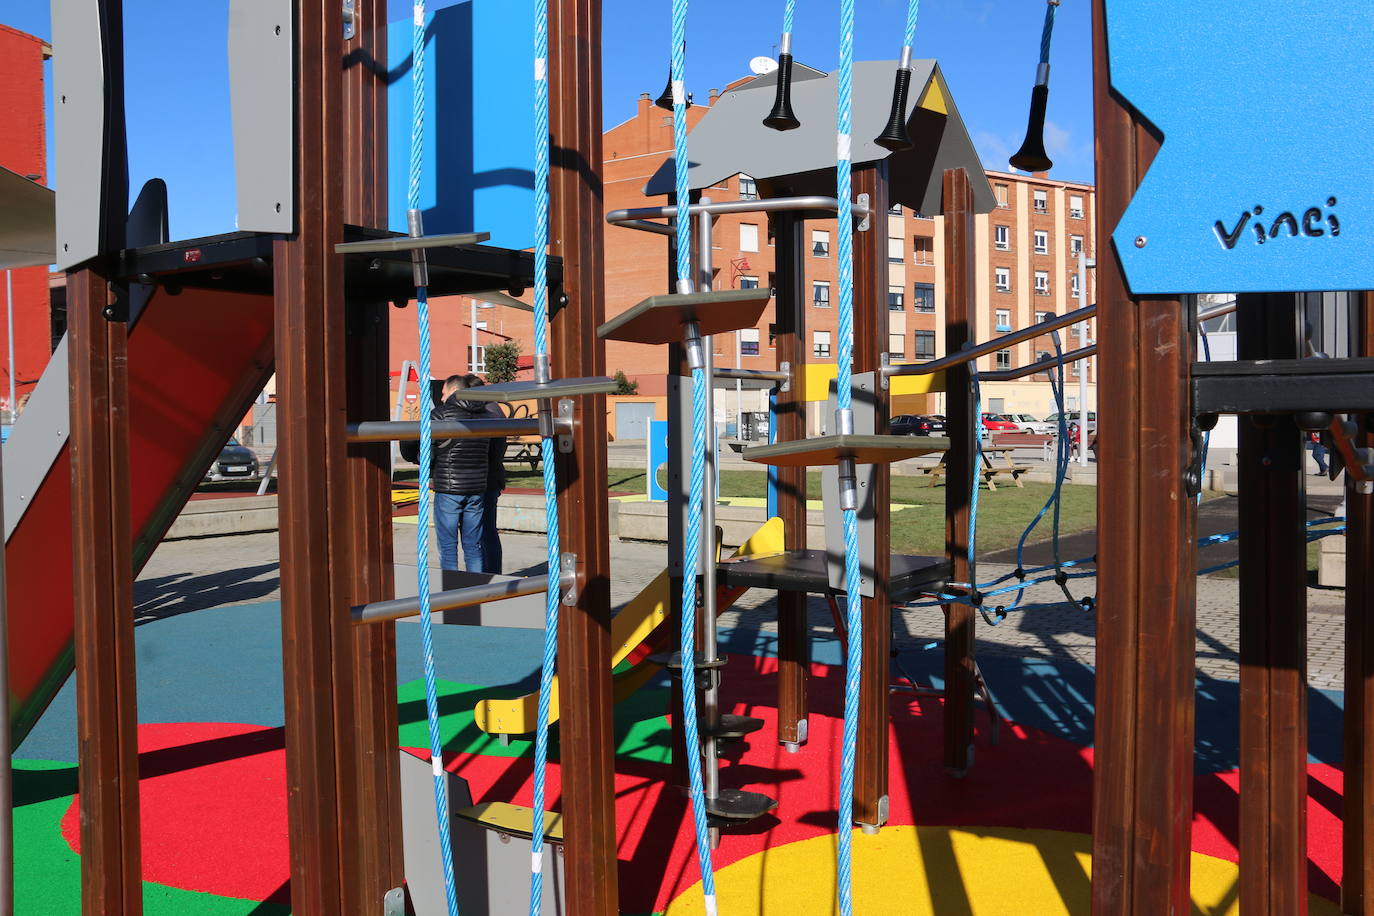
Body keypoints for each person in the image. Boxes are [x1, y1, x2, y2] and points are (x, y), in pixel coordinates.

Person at [401, 375, 490, 571]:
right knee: (473, 545)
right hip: (477, 487)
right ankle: (476, 588)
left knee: (448, 546)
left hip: (449, 486)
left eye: (443, 393)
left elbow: (418, 443)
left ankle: (452, 589)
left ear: (452, 390)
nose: (441, 398)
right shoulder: (486, 415)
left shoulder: (440, 414)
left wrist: (416, 458)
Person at [461, 374, 507, 574]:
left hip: (484, 478)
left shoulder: (485, 412)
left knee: (482, 532)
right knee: (487, 531)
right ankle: (491, 572)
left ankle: (488, 575)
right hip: (491, 476)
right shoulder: (494, 409)